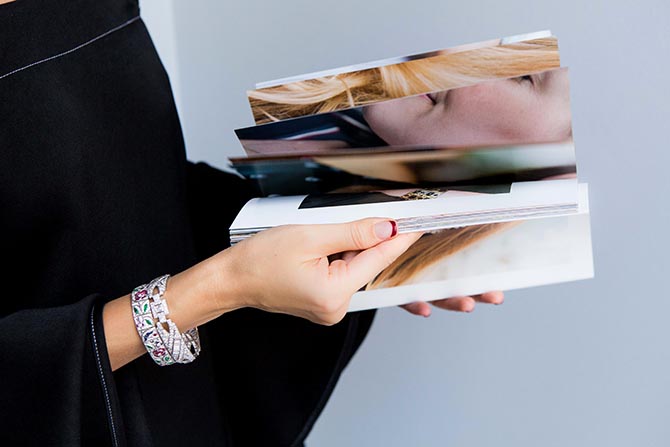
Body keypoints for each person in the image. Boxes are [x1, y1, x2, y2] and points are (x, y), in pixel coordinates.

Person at [0, 1, 503, 446]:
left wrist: (351, 242)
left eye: (524, 78)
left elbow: (119, 189)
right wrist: (224, 285)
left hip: (188, 409)